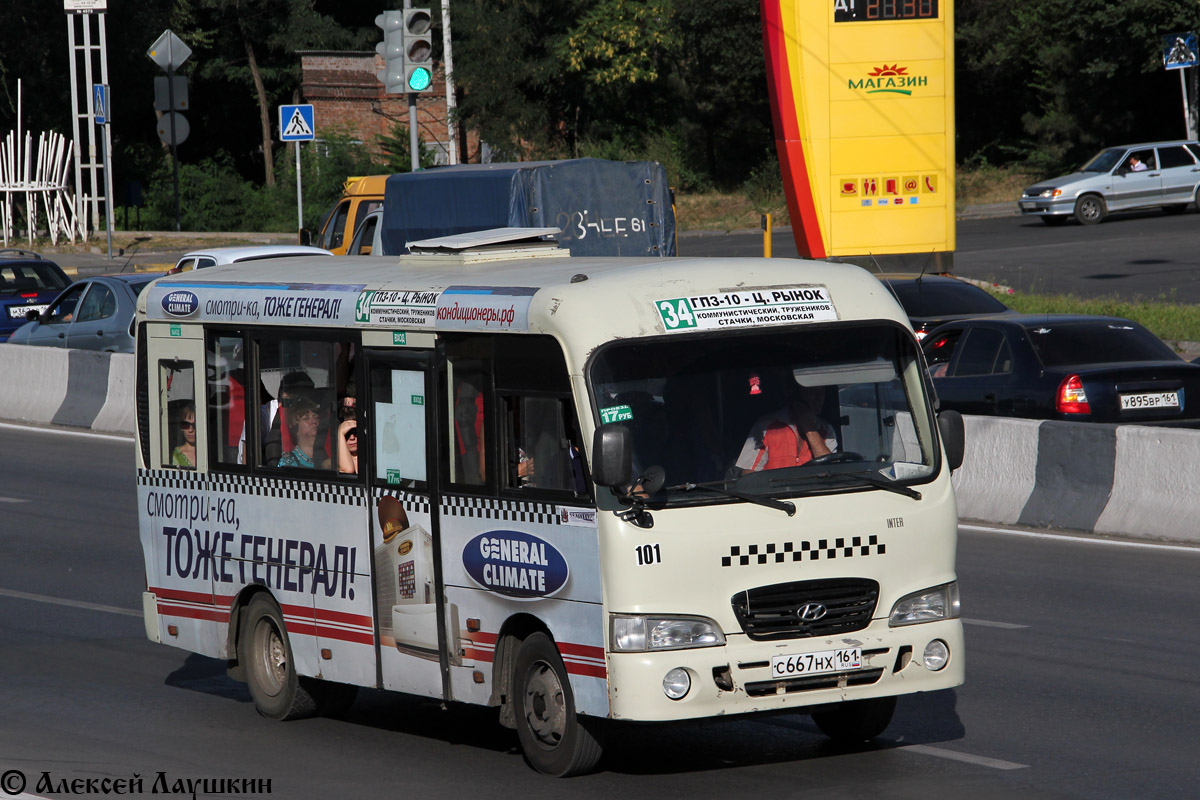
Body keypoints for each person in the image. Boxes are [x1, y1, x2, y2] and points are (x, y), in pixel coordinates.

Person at [734, 376, 837, 473]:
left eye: (821, 391)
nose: (819, 398)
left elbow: (830, 473)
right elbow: (749, 474)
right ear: (796, 394)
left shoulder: (826, 429)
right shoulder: (766, 426)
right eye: (812, 392)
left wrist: (810, 430)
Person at [277, 393, 329, 469]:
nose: (314, 421)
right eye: (306, 418)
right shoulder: (289, 463)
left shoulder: (329, 457)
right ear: (294, 426)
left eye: (316, 416)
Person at [172, 403, 197, 468]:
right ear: (181, 428)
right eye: (186, 425)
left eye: (195, 425)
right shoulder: (177, 455)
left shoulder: (210, 454)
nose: (190, 430)